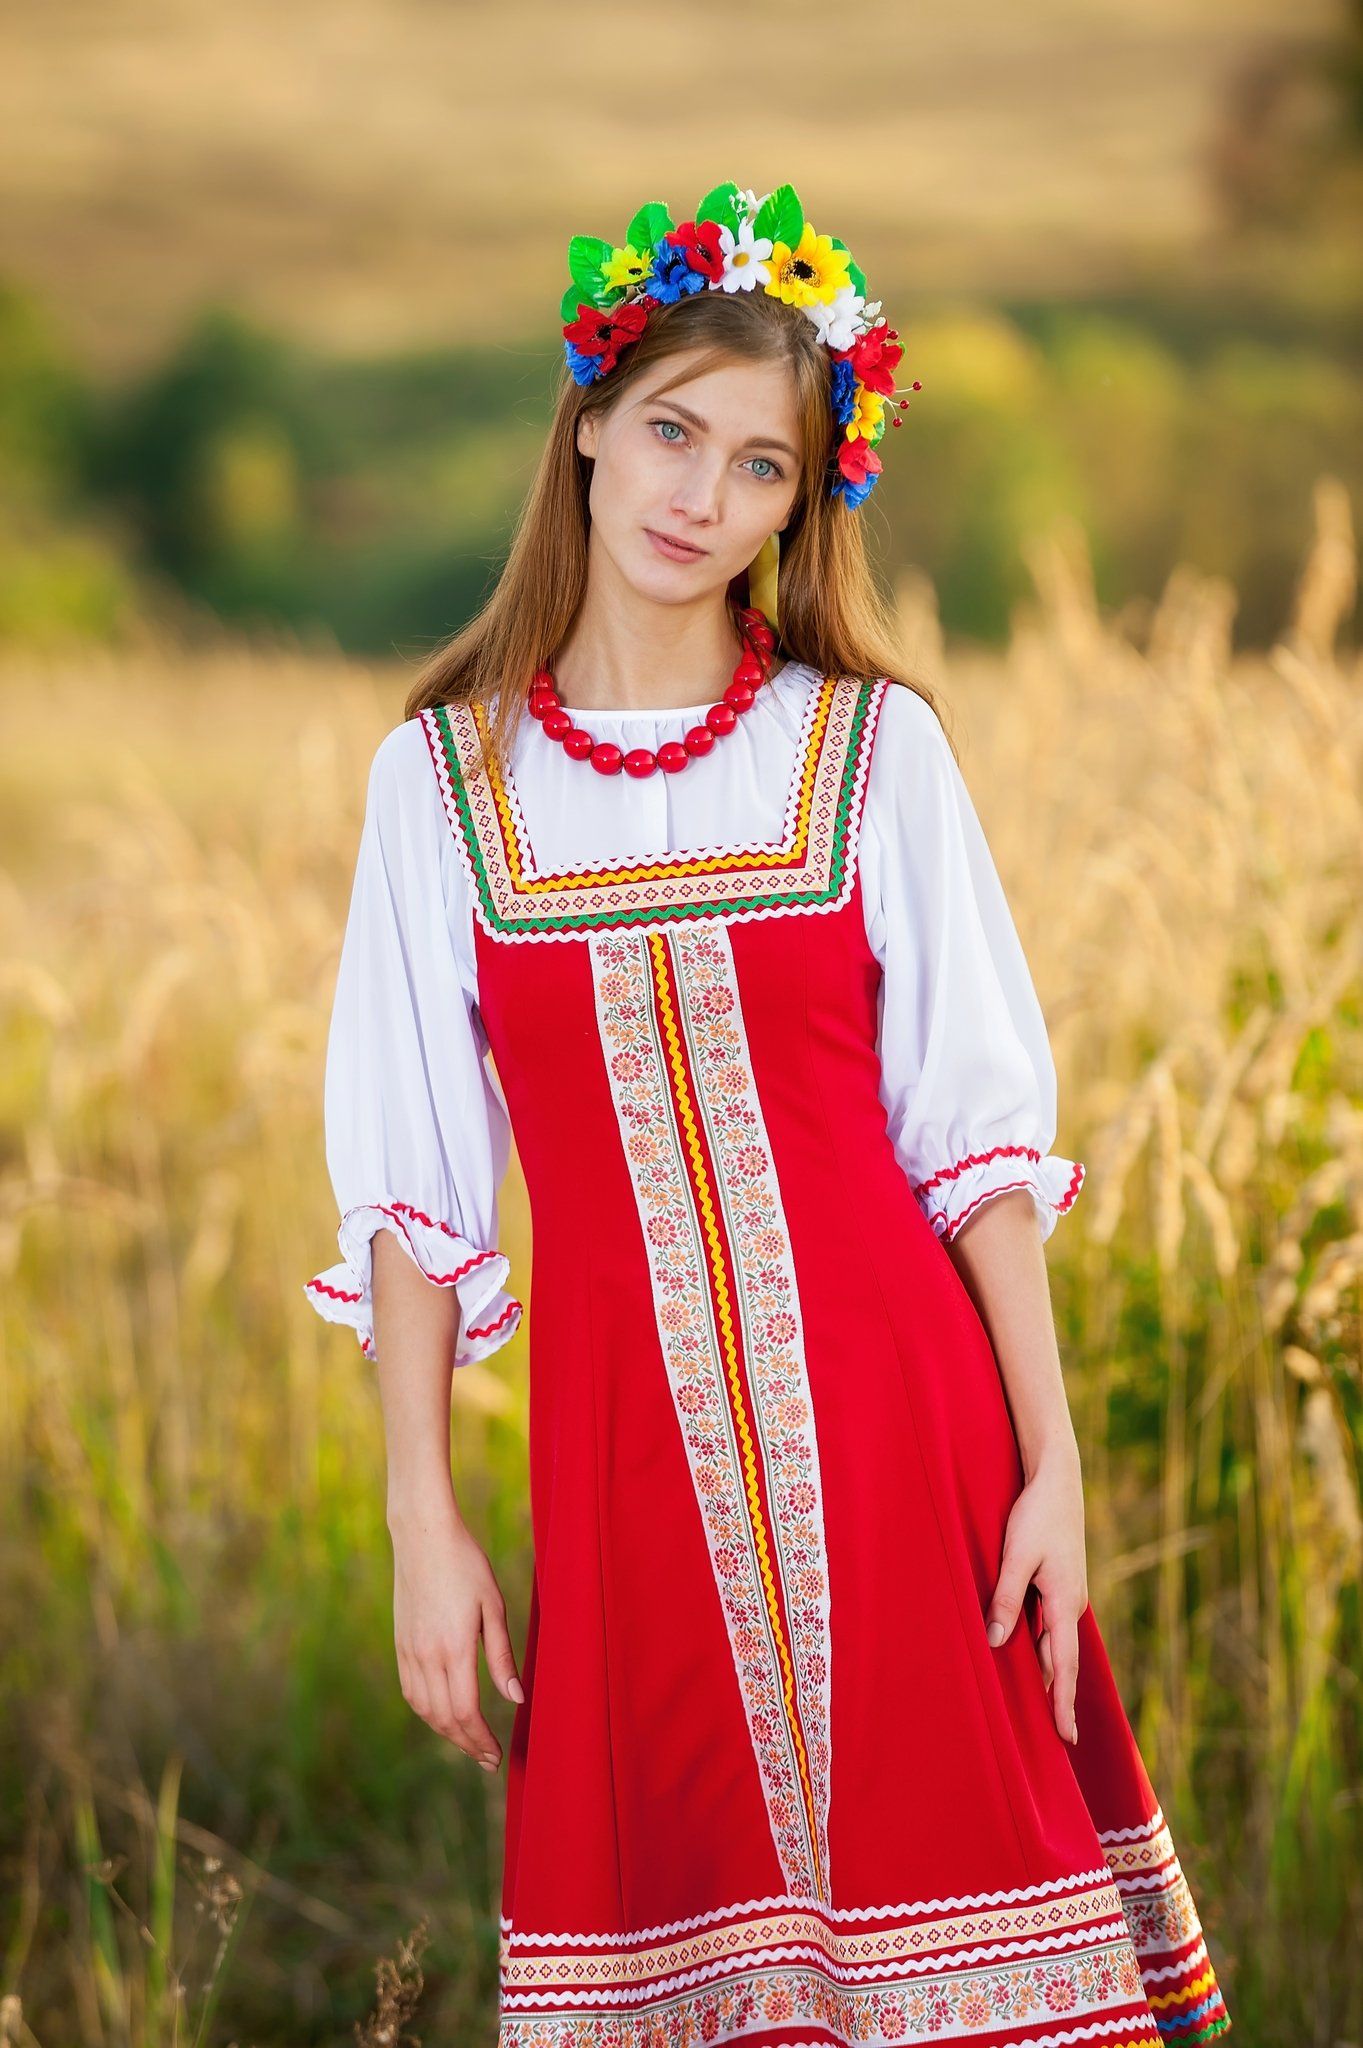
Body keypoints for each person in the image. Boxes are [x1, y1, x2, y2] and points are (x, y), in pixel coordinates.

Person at [304, 181, 1232, 2046]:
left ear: (800, 507)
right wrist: (422, 1514)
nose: (699, 498)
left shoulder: (867, 749)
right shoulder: (444, 786)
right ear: (587, 424)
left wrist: (1050, 1466)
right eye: (672, 432)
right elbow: (418, 1198)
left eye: (759, 468)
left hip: (914, 1442)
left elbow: (973, 1155)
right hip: (624, 1475)